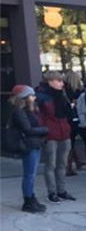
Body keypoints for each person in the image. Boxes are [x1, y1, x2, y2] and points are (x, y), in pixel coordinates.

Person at [35, 71, 75, 203]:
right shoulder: (41, 96)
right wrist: (44, 131)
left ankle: (61, 190)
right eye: (58, 81)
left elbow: (67, 113)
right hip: (51, 133)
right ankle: (52, 192)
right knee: (51, 164)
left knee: (62, 163)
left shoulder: (61, 94)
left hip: (63, 131)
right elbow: (39, 116)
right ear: (50, 81)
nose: (61, 83)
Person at [8, 85, 48, 213]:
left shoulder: (28, 110)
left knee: (31, 174)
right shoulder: (19, 111)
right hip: (28, 145)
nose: (34, 97)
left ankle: (31, 198)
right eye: (31, 95)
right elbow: (28, 129)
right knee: (29, 175)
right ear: (24, 97)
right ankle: (28, 201)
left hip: (33, 144)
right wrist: (45, 130)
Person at [64, 70, 86, 176]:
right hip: (81, 117)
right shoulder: (80, 91)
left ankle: (68, 166)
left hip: (69, 119)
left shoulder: (63, 91)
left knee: (70, 142)